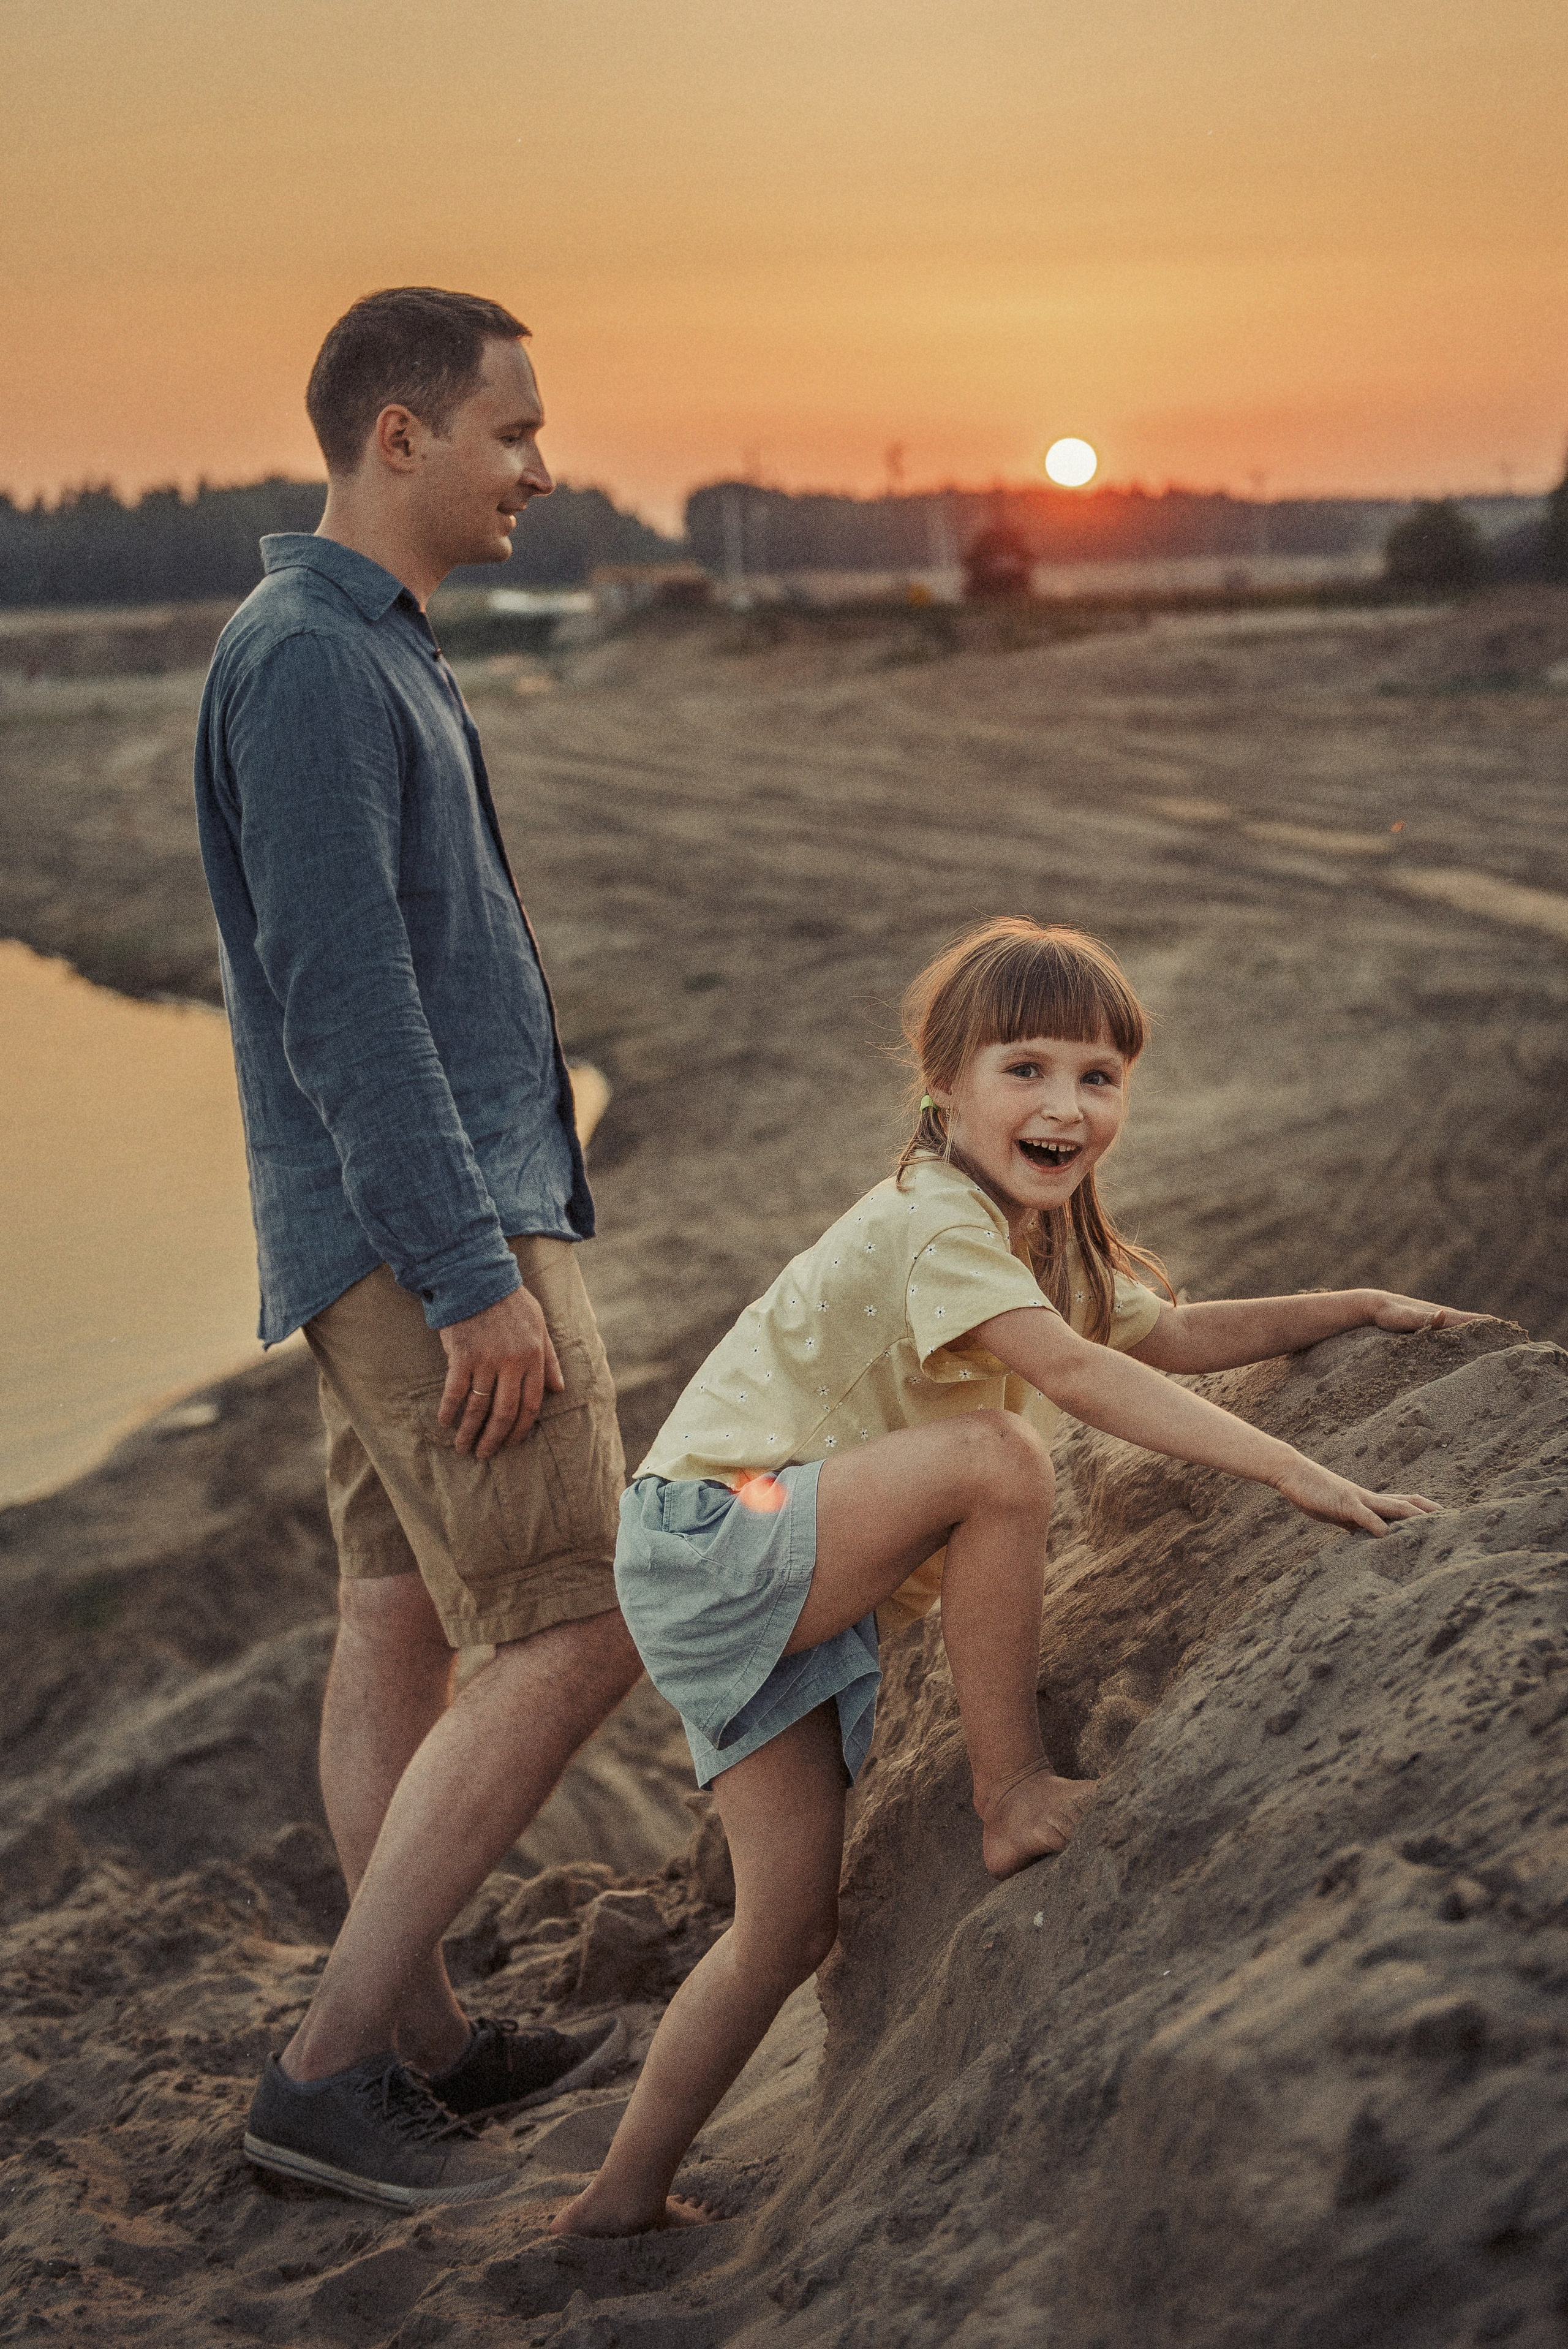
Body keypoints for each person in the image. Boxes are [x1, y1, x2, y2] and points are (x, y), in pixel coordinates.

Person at [549, 915, 1485, 2237]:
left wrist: (1352, 1303)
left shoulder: (1038, 1251)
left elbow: (1174, 1335)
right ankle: (1013, 1794)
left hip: (774, 1576)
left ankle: (616, 2197)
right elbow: (1080, 1378)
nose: (1064, 1104)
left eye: (1096, 1077)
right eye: (1025, 1069)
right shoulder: (934, 1224)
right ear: (943, 1090)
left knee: (782, 1932)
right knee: (997, 1457)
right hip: (721, 1536)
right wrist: (1292, 1473)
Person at [194, 288, 643, 2211]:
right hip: (430, 1239)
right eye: (513, 431)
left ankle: (426, 2047)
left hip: (398, 1220)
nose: (542, 468)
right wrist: (473, 1274)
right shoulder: (308, 657)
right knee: (580, 1616)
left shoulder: (364, 644)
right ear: (402, 435)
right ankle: (326, 2076)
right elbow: (345, 995)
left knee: (394, 1615)